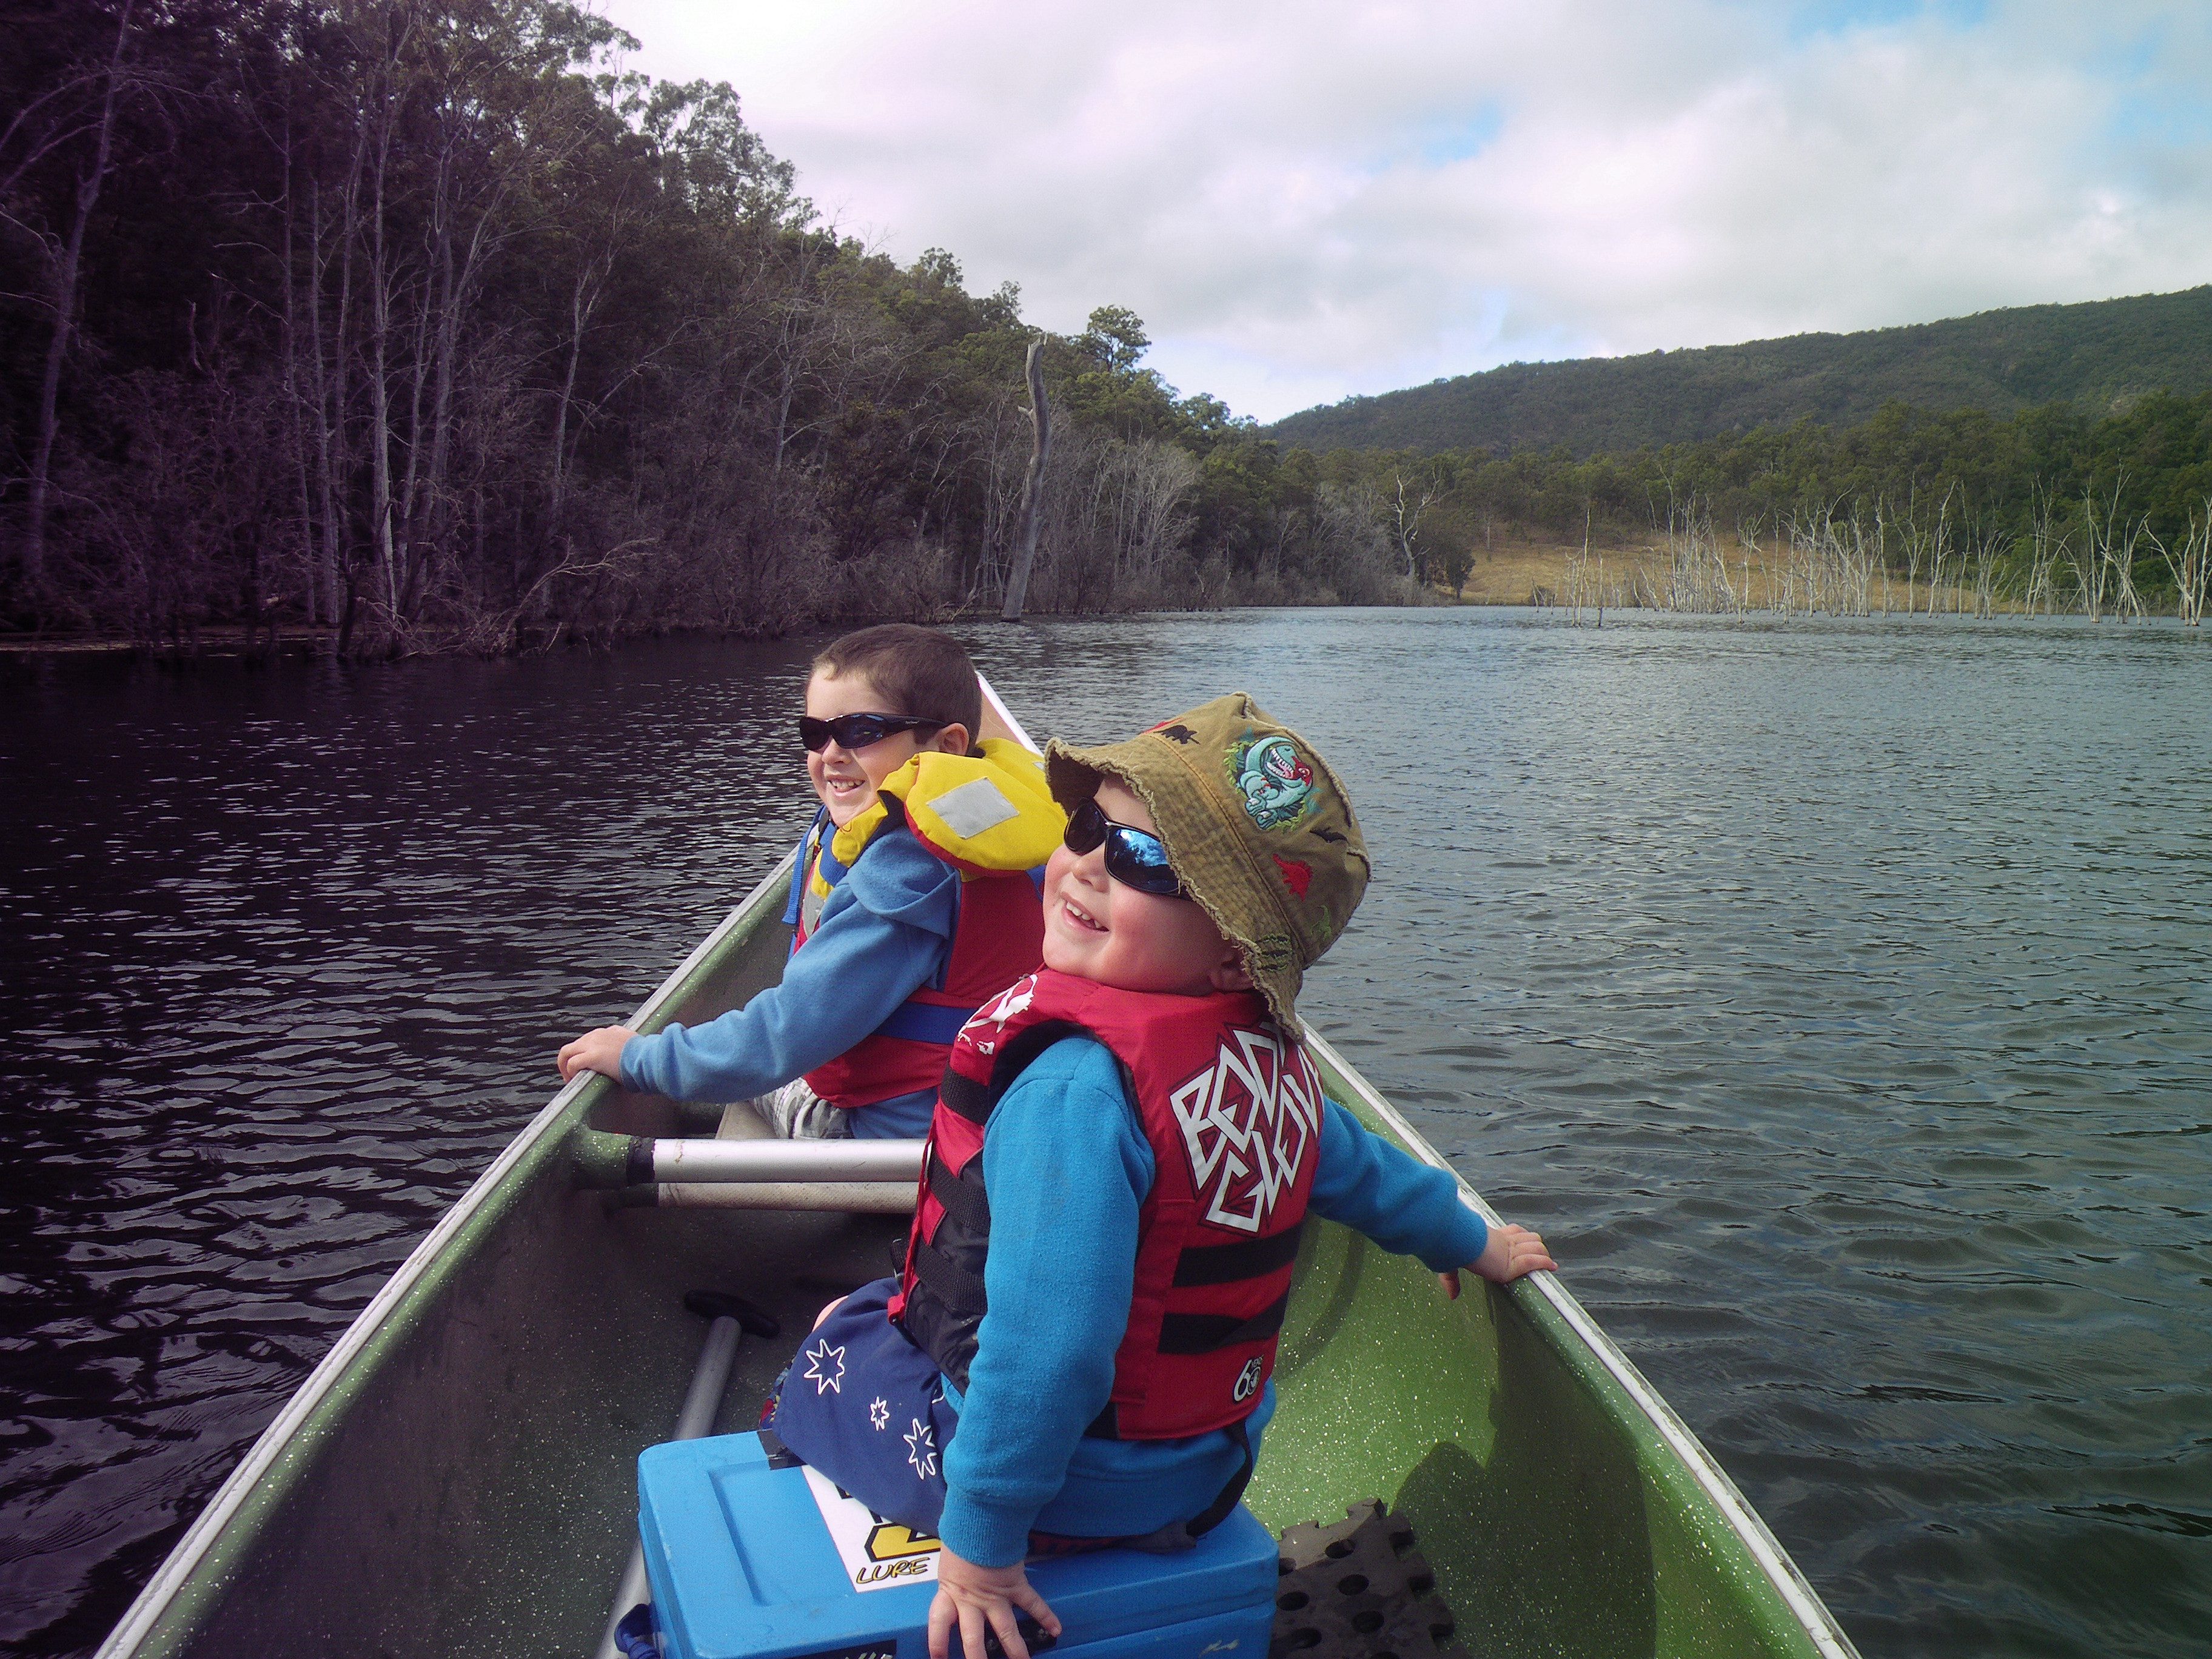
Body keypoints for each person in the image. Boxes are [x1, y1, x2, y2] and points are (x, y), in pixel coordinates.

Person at [767, 694, 1555, 1659]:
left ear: (1233, 951)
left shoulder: (1074, 1091)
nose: (1091, 862)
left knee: (835, 1334)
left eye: (1148, 861)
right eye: (1088, 825)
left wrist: (981, 1550)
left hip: (1072, 1495)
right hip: (1207, 1474)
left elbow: (1049, 1353)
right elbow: (1378, 1182)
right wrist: (1478, 1244)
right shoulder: (1277, 1071)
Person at [557, 625, 1062, 1139]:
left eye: (862, 731)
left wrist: (641, 1058)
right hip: (982, 1101)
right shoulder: (990, 820)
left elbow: (784, 1038)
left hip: (892, 1135)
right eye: (815, 734)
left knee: (756, 1072)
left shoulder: (910, 873)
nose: (831, 755)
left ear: (947, 745)